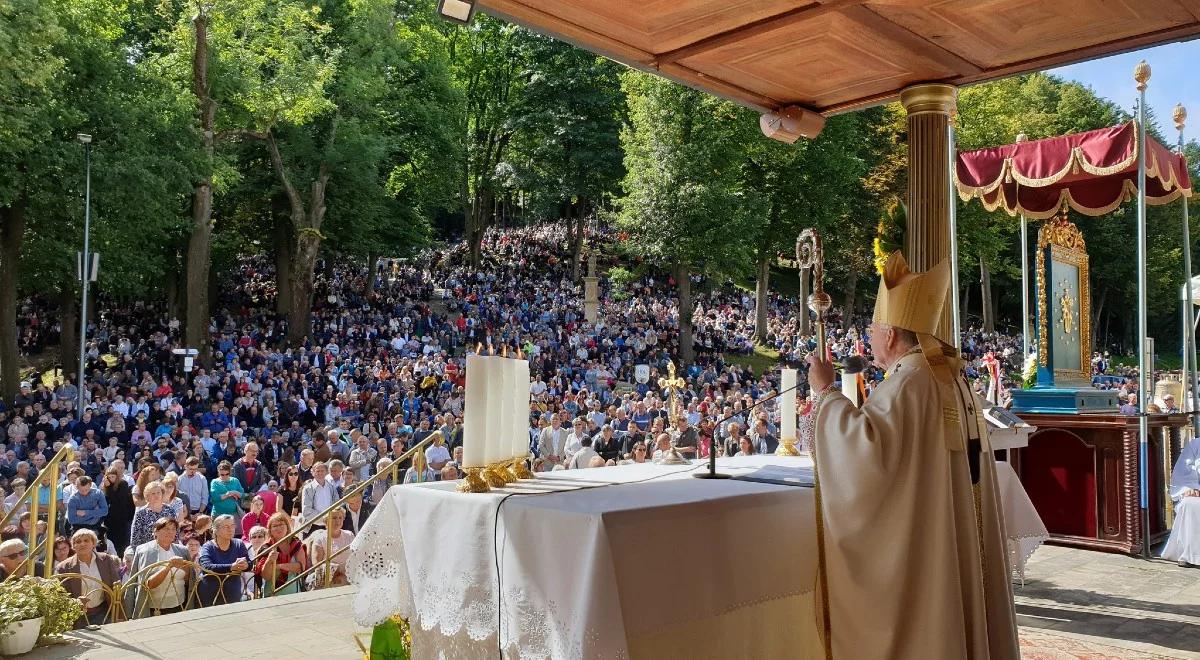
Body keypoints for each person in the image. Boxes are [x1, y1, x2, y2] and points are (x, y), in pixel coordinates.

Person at [804, 252, 1018, 658]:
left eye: (872, 328)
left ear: (888, 335)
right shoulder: (947, 376)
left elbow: (864, 454)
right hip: (947, 534)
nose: (868, 337)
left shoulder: (908, 384)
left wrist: (826, 392)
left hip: (925, 551)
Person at [123, 517, 192, 618]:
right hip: (154, 609)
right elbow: (147, 584)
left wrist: (183, 567)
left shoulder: (182, 551)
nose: (170, 532)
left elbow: (189, 580)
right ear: (156, 532)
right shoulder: (144, 551)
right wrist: (168, 567)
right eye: (166, 529)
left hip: (180, 605)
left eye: (173, 529)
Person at [56, 528, 121, 627]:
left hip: (104, 613)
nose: (82, 544)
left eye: (86, 540)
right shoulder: (64, 567)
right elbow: (61, 596)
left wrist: (120, 615)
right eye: (78, 542)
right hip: (77, 617)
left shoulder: (106, 560)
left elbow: (117, 587)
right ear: (73, 546)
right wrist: (76, 602)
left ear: (94, 543)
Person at [1161, 436, 1200, 567]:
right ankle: (1192, 556)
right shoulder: (1196, 445)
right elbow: (1184, 476)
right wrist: (1192, 489)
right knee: (1189, 504)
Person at [198, 514, 251, 606]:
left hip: (232, 592)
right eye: (226, 526)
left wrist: (246, 565)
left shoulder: (239, 544)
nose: (230, 529)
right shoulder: (208, 547)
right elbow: (206, 566)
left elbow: (249, 564)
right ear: (216, 530)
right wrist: (231, 567)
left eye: (232, 526)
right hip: (210, 592)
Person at [254, 512, 307, 596]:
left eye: (281, 524)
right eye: (275, 526)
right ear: (270, 530)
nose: (279, 528)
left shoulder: (296, 544)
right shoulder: (266, 548)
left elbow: (301, 567)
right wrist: (269, 560)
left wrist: (278, 566)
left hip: (295, 593)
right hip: (272, 594)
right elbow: (266, 576)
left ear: (287, 527)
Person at [307, 507, 353, 589]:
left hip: (347, 577)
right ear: (326, 521)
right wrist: (337, 571)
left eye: (340, 518)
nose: (338, 521)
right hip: (328, 581)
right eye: (334, 518)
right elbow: (317, 565)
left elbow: (355, 557)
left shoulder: (349, 535)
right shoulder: (320, 538)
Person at [128, 481, 178, 549]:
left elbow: (176, 533)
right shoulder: (141, 513)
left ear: (162, 494)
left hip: (168, 550)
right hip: (148, 550)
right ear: (147, 496)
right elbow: (135, 538)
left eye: (158, 493)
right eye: (153, 493)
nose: (156, 495)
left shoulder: (170, 510)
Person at [101, 467, 135, 556]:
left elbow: (117, 499)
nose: (111, 479)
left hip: (121, 516)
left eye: (113, 476)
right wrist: (106, 487)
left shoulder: (123, 484)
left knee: (121, 541)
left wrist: (109, 488)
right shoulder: (106, 485)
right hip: (110, 517)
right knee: (111, 539)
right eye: (109, 477)